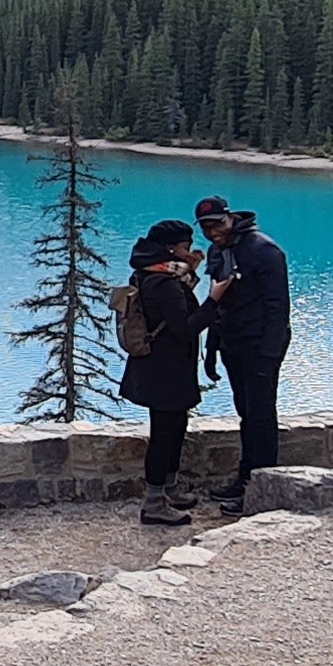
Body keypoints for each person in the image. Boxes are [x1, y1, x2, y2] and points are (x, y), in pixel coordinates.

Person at [120, 220, 221, 526]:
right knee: (164, 435)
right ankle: (154, 503)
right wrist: (215, 299)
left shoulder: (151, 273)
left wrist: (189, 270)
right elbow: (185, 327)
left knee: (174, 428)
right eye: (186, 247)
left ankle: (169, 490)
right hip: (166, 371)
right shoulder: (163, 284)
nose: (191, 251)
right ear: (171, 249)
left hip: (157, 368)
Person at [193, 194, 290, 501]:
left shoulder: (265, 251)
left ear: (230, 217)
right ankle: (246, 480)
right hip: (232, 344)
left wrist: (268, 356)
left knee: (261, 415)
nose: (212, 232)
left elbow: (278, 309)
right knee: (246, 413)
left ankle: (262, 490)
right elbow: (220, 305)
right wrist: (211, 351)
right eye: (206, 227)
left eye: (217, 224)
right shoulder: (216, 251)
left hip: (260, 344)